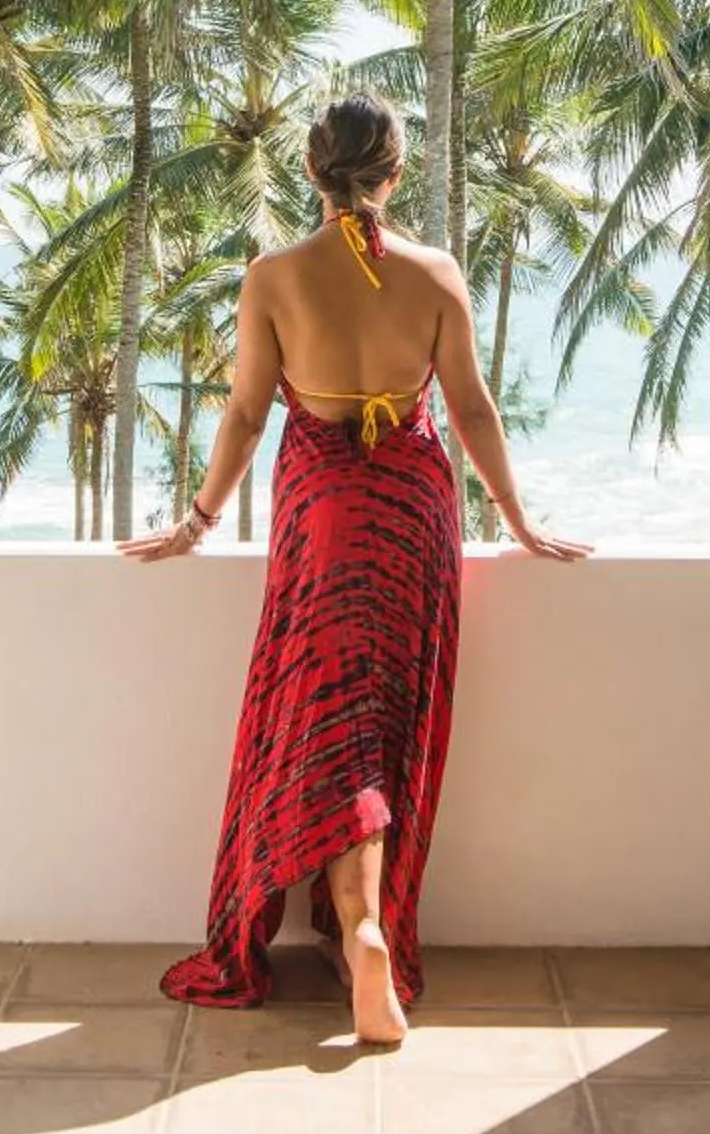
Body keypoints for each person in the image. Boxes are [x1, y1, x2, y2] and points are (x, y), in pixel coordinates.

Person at [121, 92, 589, 1045]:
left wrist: (197, 521)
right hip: (415, 516)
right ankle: (364, 933)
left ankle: (358, 926)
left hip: (324, 515)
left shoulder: (274, 276)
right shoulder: (435, 272)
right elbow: (472, 410)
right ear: (396, 172)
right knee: (386, 727)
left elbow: (246, 415)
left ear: (310, 170)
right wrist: (517, 519)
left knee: (332, 722)